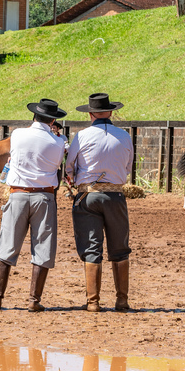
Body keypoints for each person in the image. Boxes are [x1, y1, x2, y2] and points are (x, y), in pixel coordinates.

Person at [0, 98, 68, 312]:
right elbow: (58, 164)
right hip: (44, 197)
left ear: (34, 115)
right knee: (43, 247)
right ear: (53, 120)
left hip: (18, 194)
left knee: (7, 244)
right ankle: (33, 300)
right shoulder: (58, 142)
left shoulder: (18, 134)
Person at [65, 93, 134, 312]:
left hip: (88, 194)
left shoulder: (82, 136)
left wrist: (73, 181)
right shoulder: (124, 136)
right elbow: (128, 167)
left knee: (91, 247)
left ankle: (93, 301)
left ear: (90, 114)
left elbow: (69, 167)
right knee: (120, 248)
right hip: (115, 194)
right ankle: (121, 300)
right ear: (111, 112)